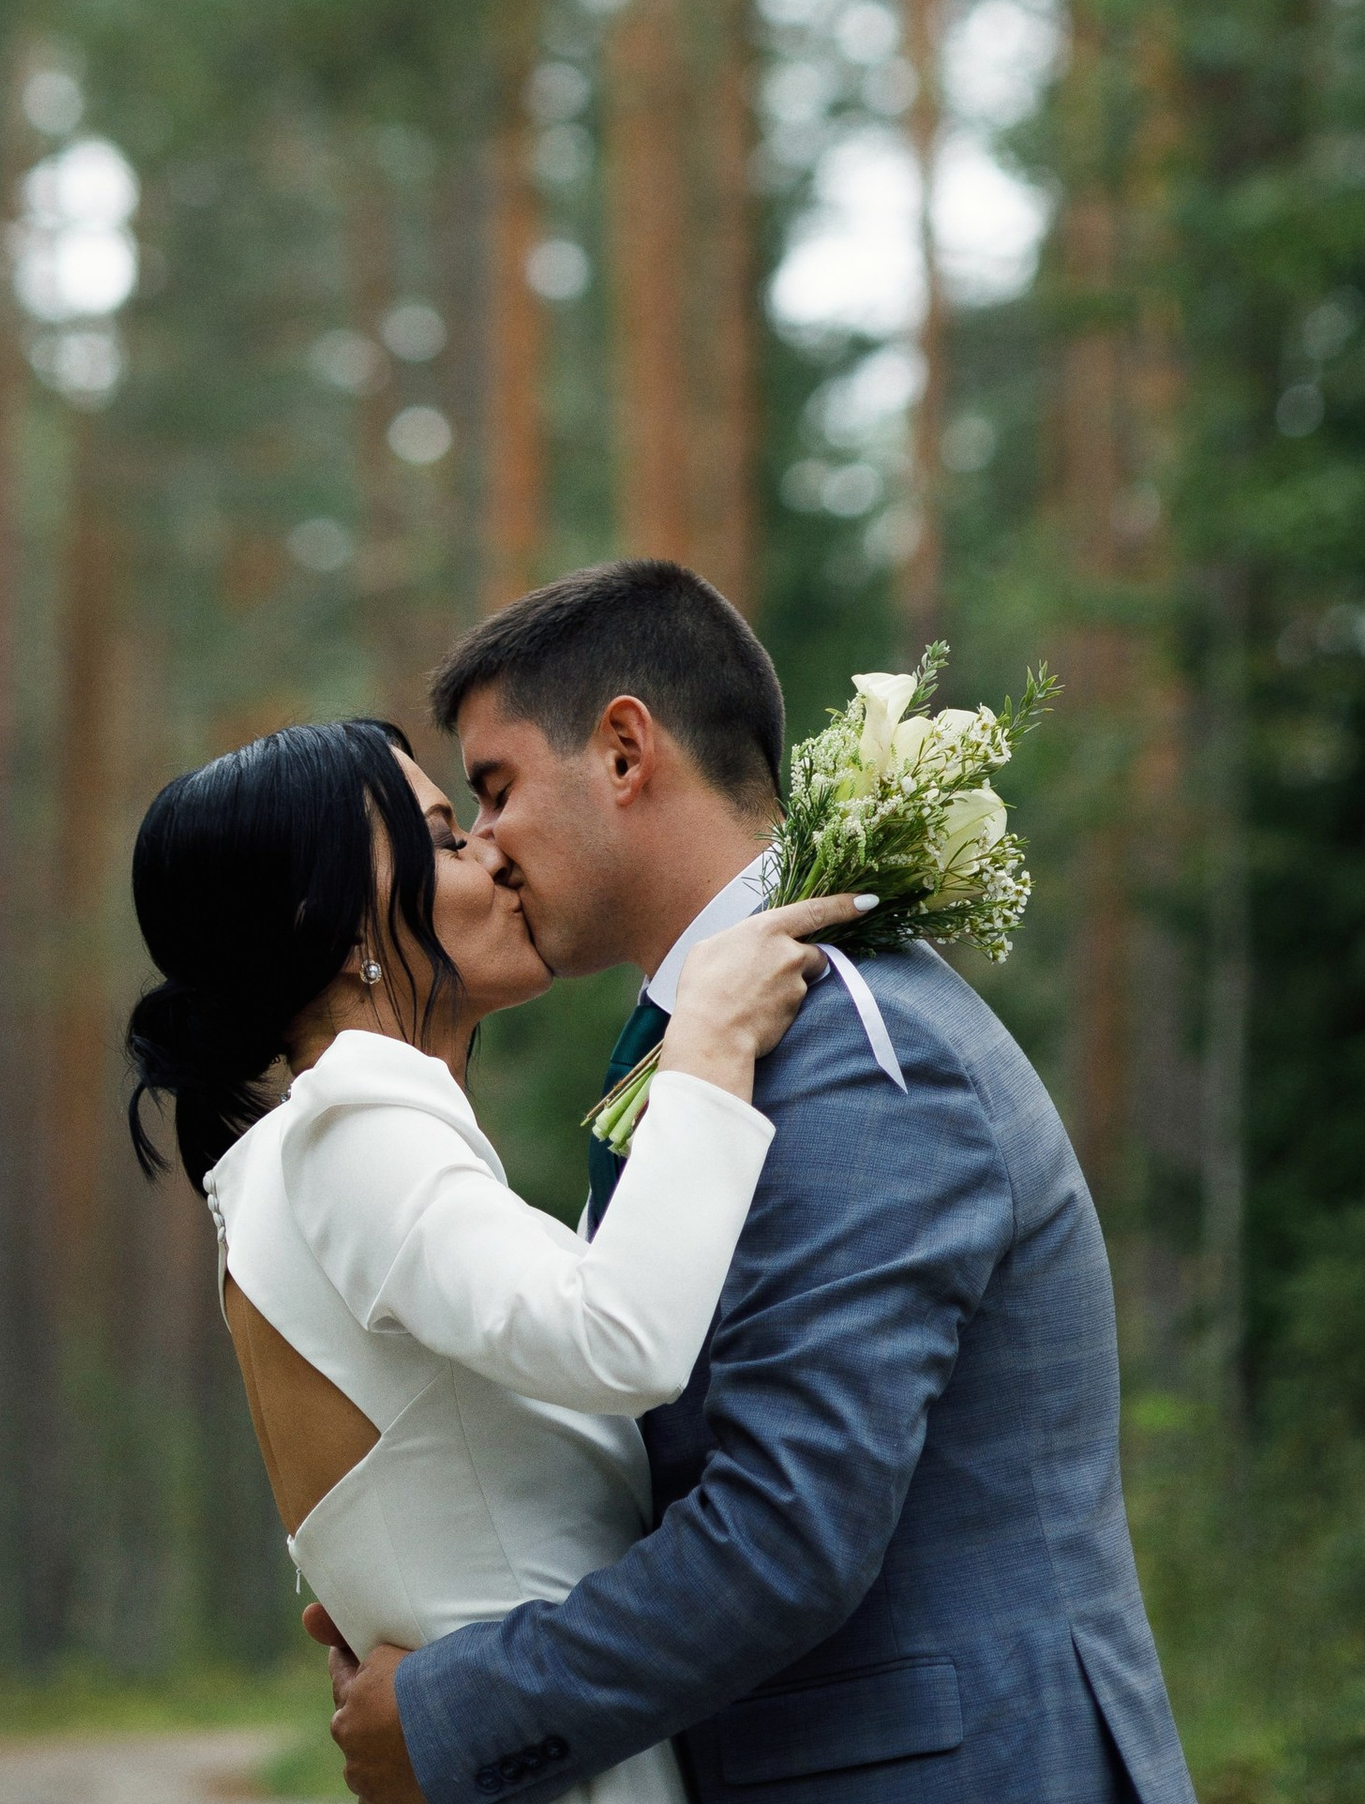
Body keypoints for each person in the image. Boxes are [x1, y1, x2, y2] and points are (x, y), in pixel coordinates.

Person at [323, 562, 1195, 1804]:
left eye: (496, 788)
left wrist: (459, 1712)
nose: (485, 848)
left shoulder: (859, 1051)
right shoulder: (727, 1047)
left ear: (625, 751)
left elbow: (788, 1531)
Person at [126, 714, 863, 1804]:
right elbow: (622, 1341)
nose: (495, 853)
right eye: (441, 834)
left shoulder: (300, 1158)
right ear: (326, 923)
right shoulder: (351, 1125)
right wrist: (709, 1038)